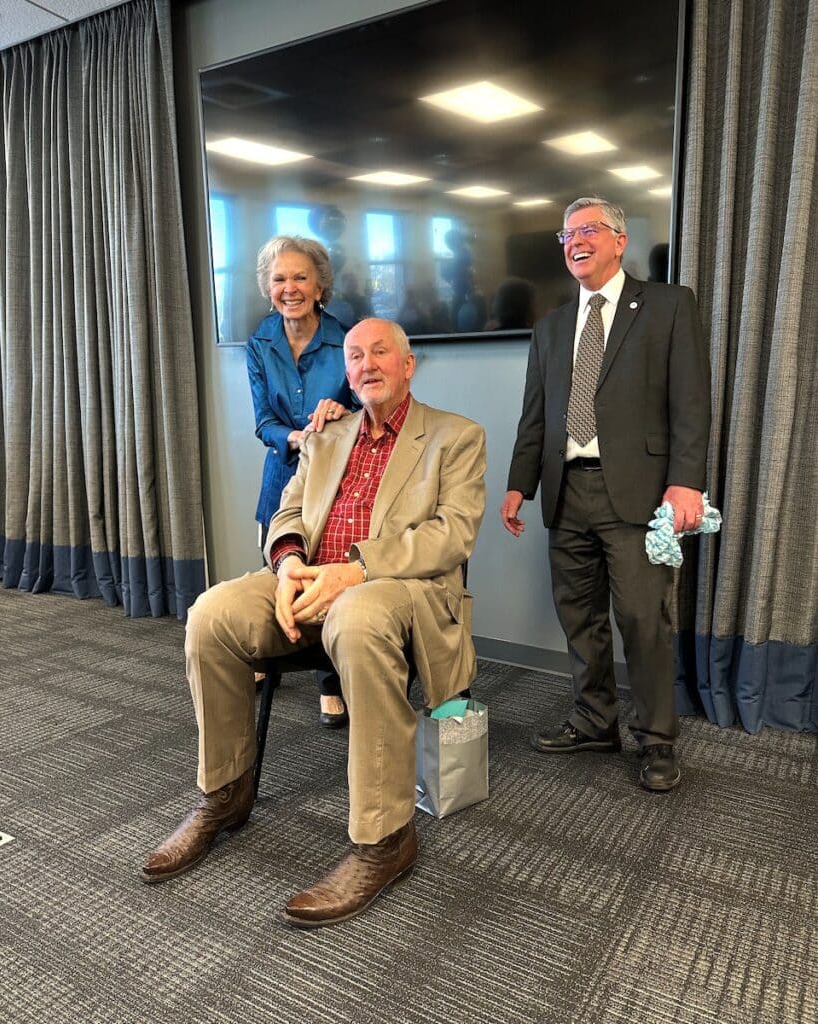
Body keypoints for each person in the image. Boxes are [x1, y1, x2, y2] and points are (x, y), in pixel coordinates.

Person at [141, 318, 487, 928]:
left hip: (396, 592)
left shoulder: (455, 436)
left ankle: (386, 839)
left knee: (356, 617)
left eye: (382, 351)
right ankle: (226, 792)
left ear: (409, 366)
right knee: (211, 615)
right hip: (310, 582)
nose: (367, 363)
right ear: (347, 372)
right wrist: (291, 565)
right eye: (355, 356)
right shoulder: (327, 435)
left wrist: (352, 571)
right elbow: (289, 509)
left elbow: (450, 537)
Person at [501, 197, 710, 792]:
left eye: (589, 230)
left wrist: (686, 480)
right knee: (580, 617)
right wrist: (520, 486)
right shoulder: (550, 328)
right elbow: (534, 417)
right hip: (566, 491)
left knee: (644, 620)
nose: (575, 241)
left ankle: (657, 740)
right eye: (567, 234)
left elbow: (691, 402)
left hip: (640, 493)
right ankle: (594, 721)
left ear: (619, 240)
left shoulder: (669, 305)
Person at [246, 235, 357, 728]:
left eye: (299, 277)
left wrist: (342, 410)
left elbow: (370, 412)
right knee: (280, 568)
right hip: (282, 473)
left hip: (334, 480)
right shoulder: (259, 342)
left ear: (319, 286)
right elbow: (262, 422)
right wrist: (295, 437)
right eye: (279, 279)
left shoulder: (346, 339)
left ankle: (330, 678)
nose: (289, 288)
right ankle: (273, 654)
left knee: (328, 574)